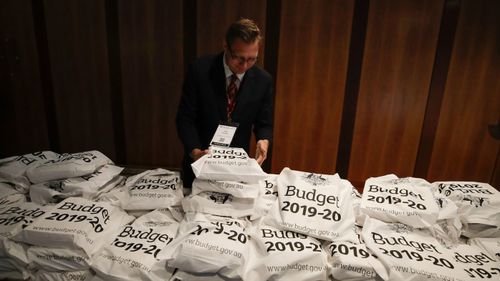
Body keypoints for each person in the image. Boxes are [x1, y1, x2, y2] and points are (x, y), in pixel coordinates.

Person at [176, 18, 274, 188]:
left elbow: (264, 123)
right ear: (225, 47)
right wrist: (195, 153)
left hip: (235, 170)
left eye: (252, 59)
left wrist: (263, 141)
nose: (244, 65)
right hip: (199, 164)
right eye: (239, 58)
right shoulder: (200, 71)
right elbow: (185, 119)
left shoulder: (263, 80)